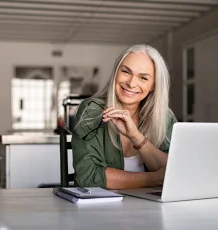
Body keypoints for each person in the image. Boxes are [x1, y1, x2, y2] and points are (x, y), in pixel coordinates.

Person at [71, 44, 177, 189]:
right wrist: (153, 179)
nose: (131, 83)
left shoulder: (164, 117)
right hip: (99, 209)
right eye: (126, 72)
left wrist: (136, 137)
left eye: (143, 78)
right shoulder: (92, 110)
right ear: (116, 72)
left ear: (153, 85)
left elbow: (175, 171)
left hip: (151, 207)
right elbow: (88, 177)